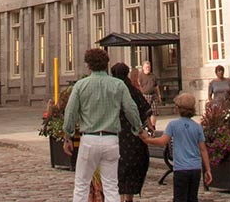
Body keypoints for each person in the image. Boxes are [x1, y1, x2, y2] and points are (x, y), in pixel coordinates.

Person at [65, 48, 141, 202]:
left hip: (89, 139)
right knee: (111, 185)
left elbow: (70, 112)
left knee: (81, 184)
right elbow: (131, 109)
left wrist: (68, 135)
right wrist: (137, 128)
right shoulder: (118, 85)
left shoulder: (80, 85)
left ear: (89, 65)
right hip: (110, 139)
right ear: (107, 64)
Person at [141, 93, 211, 202]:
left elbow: (162, 141)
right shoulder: (197, 127)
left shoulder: (173, 125)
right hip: (195, 168)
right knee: (192, 198)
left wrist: (147, 140)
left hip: (181, 168)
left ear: (178, 109)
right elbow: (203, 150)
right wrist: (208, 169)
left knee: (179, 198)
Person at [110, 62, 153, 199]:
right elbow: (144, 109)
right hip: (133, 136)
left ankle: (121, 197)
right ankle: (128, 197)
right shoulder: (133, 90)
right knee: (132, 166)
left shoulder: (111, 91)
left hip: (115, 136)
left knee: (118, 168)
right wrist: (144, 128)